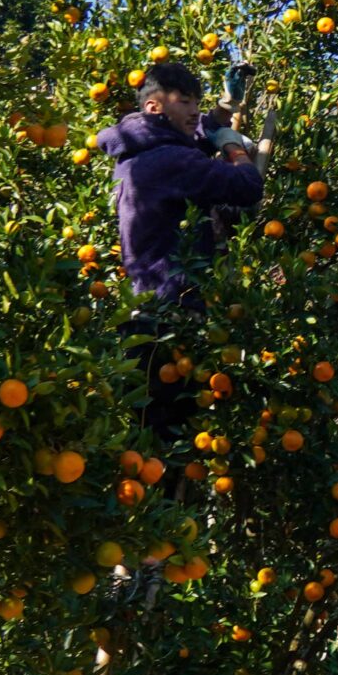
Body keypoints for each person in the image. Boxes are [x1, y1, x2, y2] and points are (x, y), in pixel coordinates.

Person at [101, 61, 262, 443]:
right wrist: (233, 147)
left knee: (145, 439)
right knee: (173, 443)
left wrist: (223, 111)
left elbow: (189, 140)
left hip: (142, 315)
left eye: (197, 103)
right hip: (172, 321)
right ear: (154, 107)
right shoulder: (172, 161)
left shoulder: (138, 150)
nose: (194, 111)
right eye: (185, 102)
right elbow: (247, 186)